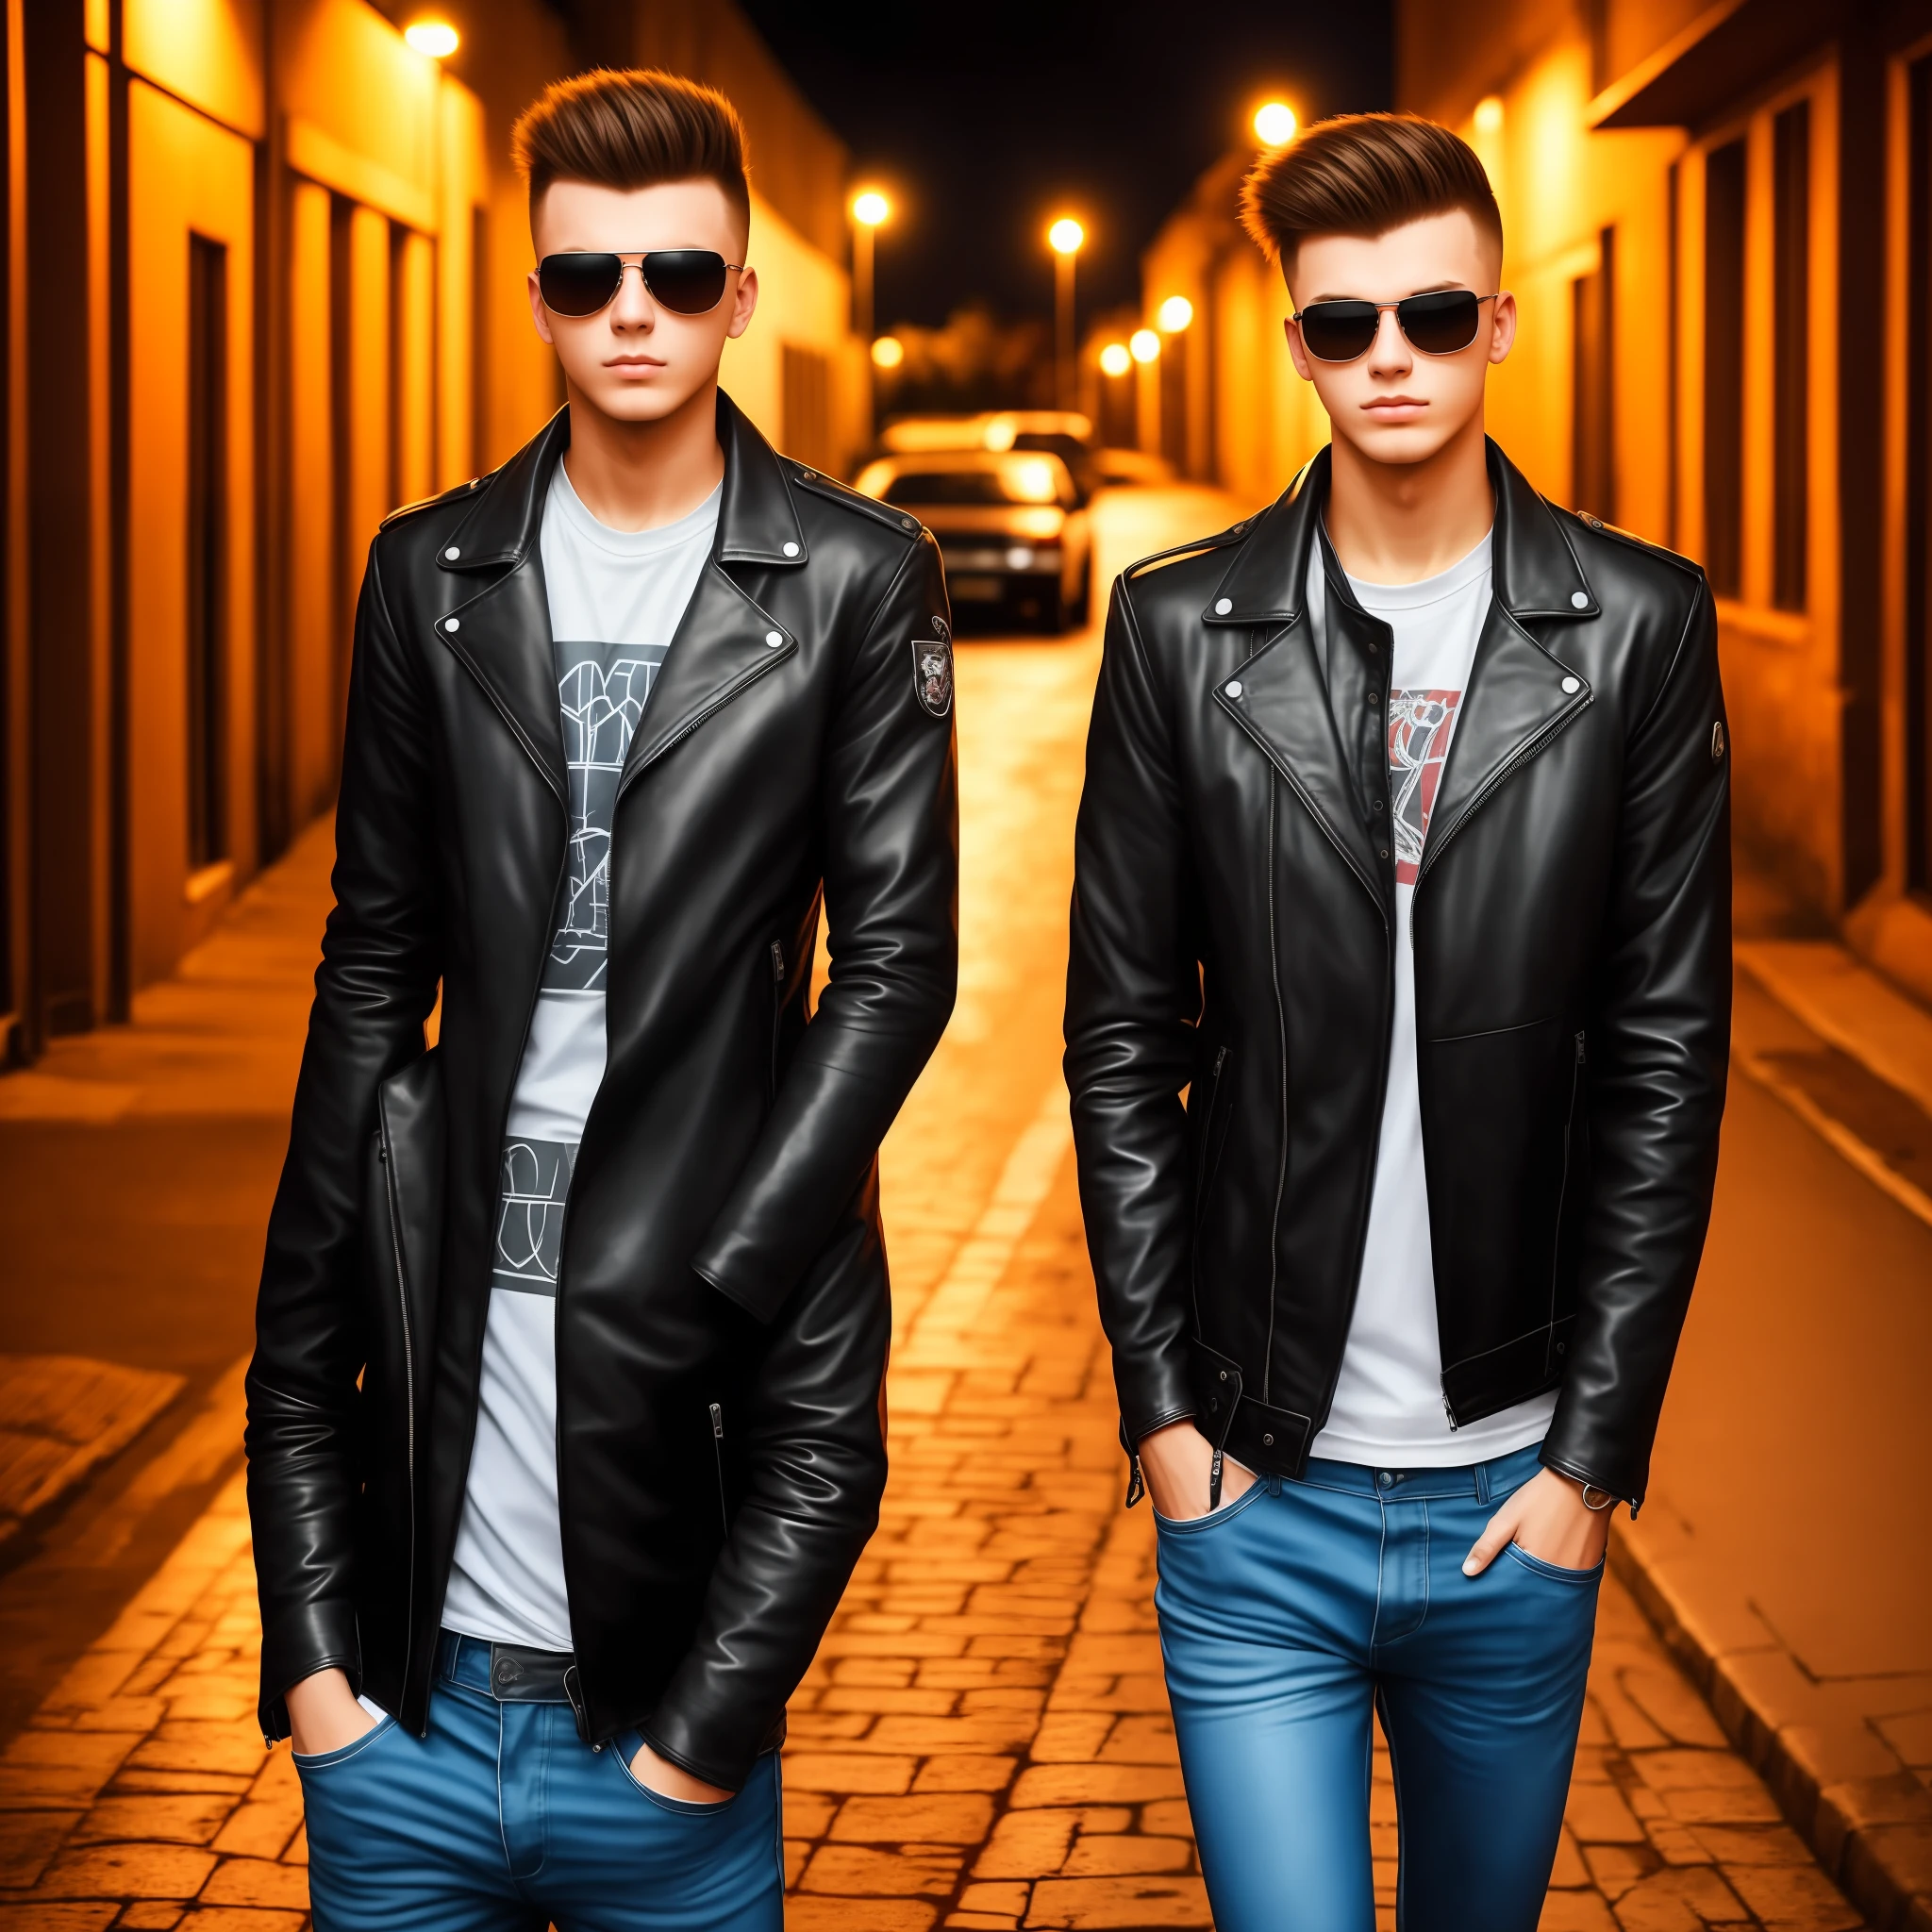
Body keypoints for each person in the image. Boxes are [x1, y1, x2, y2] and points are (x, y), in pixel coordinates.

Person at [245, 67, 958, 1932]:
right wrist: (318, 1679)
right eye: (584, 277)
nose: (628, 309)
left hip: (663, 1732)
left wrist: (737, 1243)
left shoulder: (855, 580)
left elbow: (897, 960)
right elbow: (374, 940)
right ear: (539, 297)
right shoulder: (433, 574)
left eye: (672, 270)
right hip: (392, 1739)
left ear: (741, 294)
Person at [1064, 112, 1729, 1931]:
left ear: (1500, 324)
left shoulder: (1641, 631)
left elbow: (1666, 1058)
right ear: (1294, 343)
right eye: (1345, 325)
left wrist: (1596, 1456)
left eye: (1433, 318)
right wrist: (1165, 1422)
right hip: (1255, 1495)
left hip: (1515, 1492)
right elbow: (1122, 1036)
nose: (1391, 361)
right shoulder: (1179, 631)